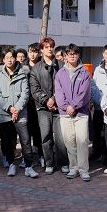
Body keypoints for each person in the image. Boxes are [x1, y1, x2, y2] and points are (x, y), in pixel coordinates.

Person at [0, 49, 37, 177]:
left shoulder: (23, 74)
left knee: (25, 141)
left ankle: (29, 166)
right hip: (5, 114)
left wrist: (17, 108)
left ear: (15, 58)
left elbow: (25, 93)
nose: (9, 60)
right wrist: (10, 108)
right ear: (3, 59)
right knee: (7, 141)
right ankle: (11, 164)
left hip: (20, 113)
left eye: (12, 57)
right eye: (7, 57)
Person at [29, 37, 68, 175]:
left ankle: (63, 163)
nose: (49, 49)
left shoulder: (61, 66)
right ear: (41, 49)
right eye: (46, 47)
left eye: (51, 46)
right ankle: (49, 163)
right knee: (45, 137)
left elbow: (65, 86)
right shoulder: (36, 68)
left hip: (59, 107)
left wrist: (55, 99)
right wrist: (46, 100)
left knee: (61, 138)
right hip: (42, 108)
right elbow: (34, 89)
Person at [54, 43, 92, 181]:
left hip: (81, 113)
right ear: (65, 56)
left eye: (75, 53)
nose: (72, 56)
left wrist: (74, 106)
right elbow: (59, 94)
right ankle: (73, 168)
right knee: (69, 142)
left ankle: (83, 169)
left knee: (82, 141)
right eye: (69, 53)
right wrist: (66, 107)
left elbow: (84, 94)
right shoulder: (60, 73)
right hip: (65, 113)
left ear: (78, 55)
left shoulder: (85, 73)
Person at [90, 44, 107, 164]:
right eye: (106, 53)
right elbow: (94, 87)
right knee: (97, 131)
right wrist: (97, 101)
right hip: (99, 106)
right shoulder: (98, 69)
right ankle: (96, 153)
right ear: (103, 54)